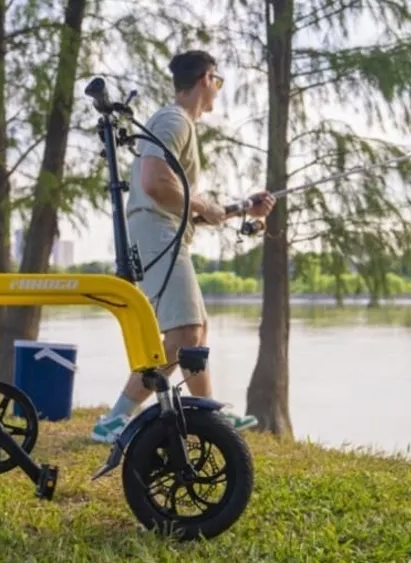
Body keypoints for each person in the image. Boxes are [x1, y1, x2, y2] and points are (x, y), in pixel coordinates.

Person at [90, 50, 276, 444]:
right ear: (206, 78)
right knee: (185, 332)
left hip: (165, 231)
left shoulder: (177, 124)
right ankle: (118, 419)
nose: (218, 91)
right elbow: (157, 183)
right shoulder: (174, 119)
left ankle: (204, 417)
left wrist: (241, 208)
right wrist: (203, 206)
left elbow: (185, 202)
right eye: (218, 82)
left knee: (194, 332)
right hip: (157, 233)